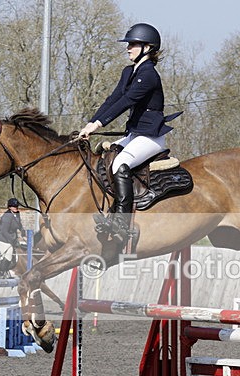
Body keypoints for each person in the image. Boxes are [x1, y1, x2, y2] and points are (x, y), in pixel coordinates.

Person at [78, 22, 180, 246]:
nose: (128, 48)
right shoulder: (129, 72)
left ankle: (122, 223)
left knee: (120, 163)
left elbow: (126, 101)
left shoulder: (149, 75)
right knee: (107, 157)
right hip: (135, 134)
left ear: (147, 48)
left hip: (151, 137)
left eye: (133, 44)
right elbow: (113, 99)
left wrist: (98, 125)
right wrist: (90, 123)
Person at [0, 198, 24, 275]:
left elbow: (19, 225)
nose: (16, 208)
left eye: (16, 206)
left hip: (9, 236)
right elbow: (4, 231)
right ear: (9, 207)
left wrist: (24, 234)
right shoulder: (7, 216)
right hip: (1, 237)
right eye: (14, 206)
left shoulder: (17, 214)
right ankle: (1, 273)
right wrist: (13, 240)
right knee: (9, 252)